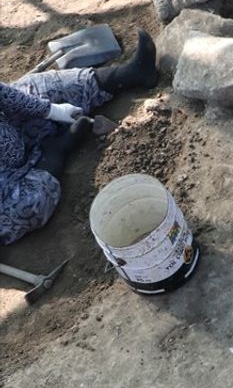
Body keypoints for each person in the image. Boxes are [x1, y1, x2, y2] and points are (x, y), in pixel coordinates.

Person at [1, 30, 157, 246]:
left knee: (35, 87)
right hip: (6, 184)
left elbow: (5, 95)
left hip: (12, 125)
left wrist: (51, 111)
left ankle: (130, 74)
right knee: (26, 206)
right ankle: (55, 151)